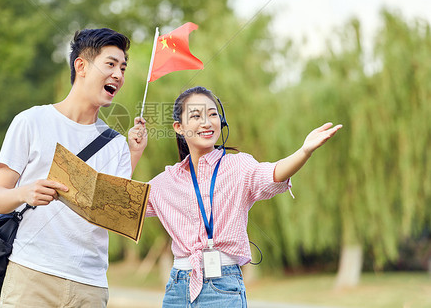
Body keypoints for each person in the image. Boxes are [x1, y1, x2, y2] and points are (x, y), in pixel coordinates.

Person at [0, 28, 145, 308]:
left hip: (90, 284)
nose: (119, 75)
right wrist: (26, 193)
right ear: (81, 65)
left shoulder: (117, 144)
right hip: (31, 274)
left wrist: (134, 153)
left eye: (123, 67)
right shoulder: (31, 121)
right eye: (110, 64)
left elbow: (114, 216)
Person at [143, 86, 342, 307]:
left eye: (212, 114)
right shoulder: (167, 180)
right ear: (179, 127)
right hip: (177, 289)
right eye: (196, 116)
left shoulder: (238, 167)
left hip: (223, 286)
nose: (207, 122)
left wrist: (304, 151)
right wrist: (134, 152)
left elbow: (273, 173)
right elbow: (119, 205)